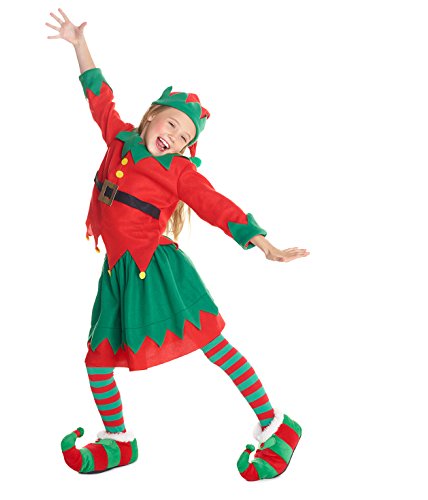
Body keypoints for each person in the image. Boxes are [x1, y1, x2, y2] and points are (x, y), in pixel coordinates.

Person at [46, 8, 310, 481]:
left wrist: (263, 243)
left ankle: (276, 426)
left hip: (158, 271)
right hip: (119, 273)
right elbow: (99, 97)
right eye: (171, 125)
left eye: (185, 137)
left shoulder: (179, 172)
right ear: (151, 117)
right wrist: (79, 45)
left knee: (214, 345)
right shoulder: (119, 139)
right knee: (97, 360)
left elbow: (215, 204)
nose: (174, 138)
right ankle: (119, 440)